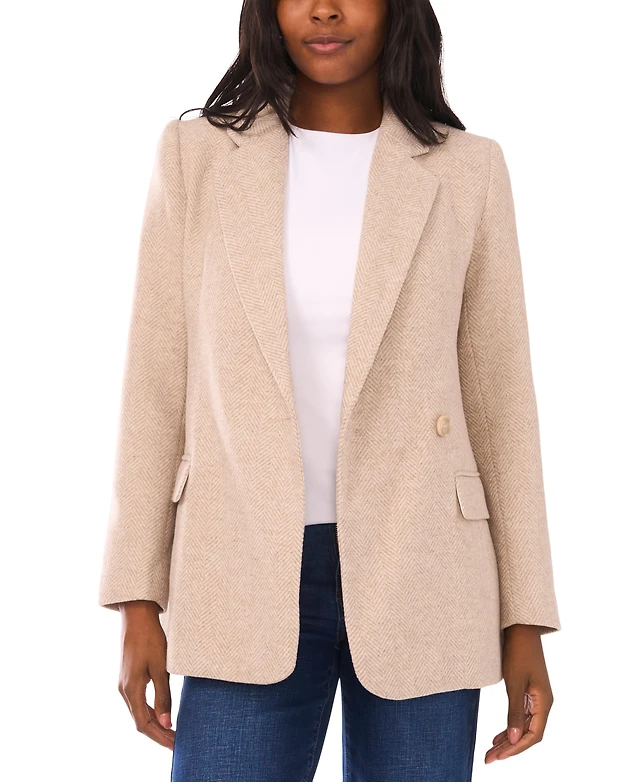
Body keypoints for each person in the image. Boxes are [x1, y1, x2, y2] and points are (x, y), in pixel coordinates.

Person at [98, 1, 561, 779]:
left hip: (425, 573)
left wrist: (525, 620)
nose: (324, 9)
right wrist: (136, 600)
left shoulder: (468, 169)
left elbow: (503, 404)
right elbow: (155, 384)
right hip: (240, 568)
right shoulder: (195, 157)